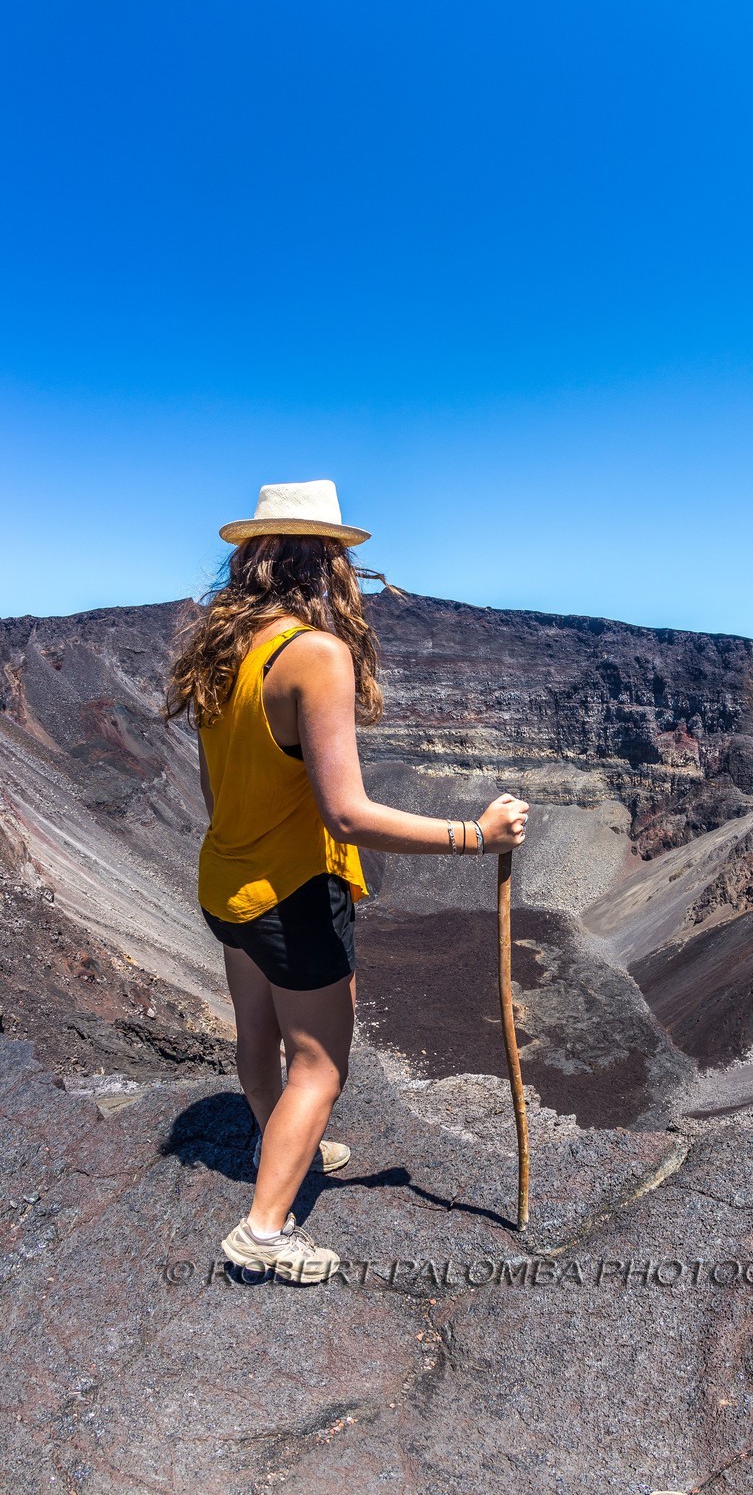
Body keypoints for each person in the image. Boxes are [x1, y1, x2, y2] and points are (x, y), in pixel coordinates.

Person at [162, 478, 528, 1283]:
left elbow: (213, 791)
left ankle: (277, 1137)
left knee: (256, 1032)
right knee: (320, 1065)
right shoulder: (313, 654)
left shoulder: (223, 650)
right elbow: (349, 817)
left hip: (227, 879)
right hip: (293, 894)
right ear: (326, 560)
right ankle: (264, 1231)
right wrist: (476, 834)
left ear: (252, 559)